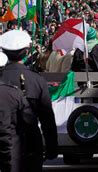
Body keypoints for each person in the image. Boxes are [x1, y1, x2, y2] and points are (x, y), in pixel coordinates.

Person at [0, 30, 58, 171]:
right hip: (31, 142)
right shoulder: (37, 80)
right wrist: (51, 147)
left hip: (4, 142)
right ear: (26, 52)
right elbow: (47, 118)